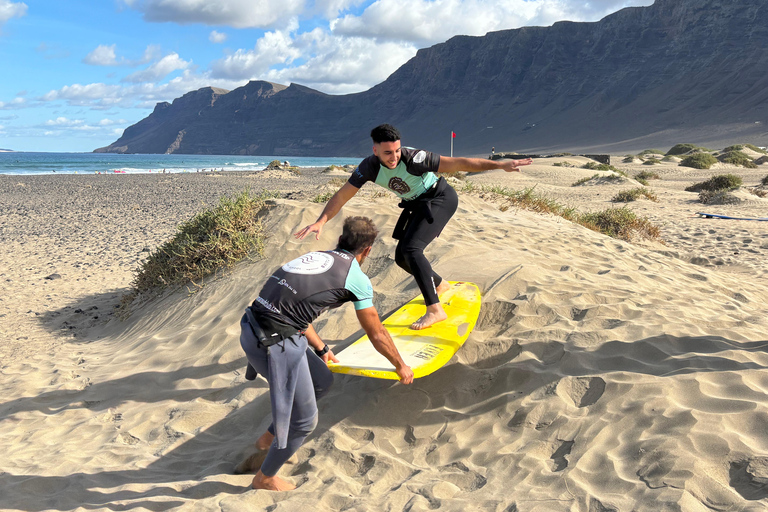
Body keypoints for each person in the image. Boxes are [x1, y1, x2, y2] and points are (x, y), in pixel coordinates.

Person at [295, 124, 533, 330]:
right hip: (416, 204)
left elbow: (459, 163)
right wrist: (321, 221)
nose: (394, 157)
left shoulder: (415, 159)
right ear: (375, 150)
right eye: (387, 152)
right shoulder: (368, 167)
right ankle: (440, 285)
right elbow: (343, 195)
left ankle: (435, 310)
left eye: (397, 150)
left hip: (440, 199)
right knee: (401, 258)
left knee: (412, 250)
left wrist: (500, 165)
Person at [240, 216, 414, 491]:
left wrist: (321, 348)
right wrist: (401, 365)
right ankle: (265, 478)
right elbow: (377, 332)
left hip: (252, 329)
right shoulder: (355, 278)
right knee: (304, 421)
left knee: (322, 380)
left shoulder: (314, 258)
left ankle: (267, 439)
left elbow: (295, 310)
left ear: (340, 240)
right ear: (367, 250)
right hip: (274, 345)